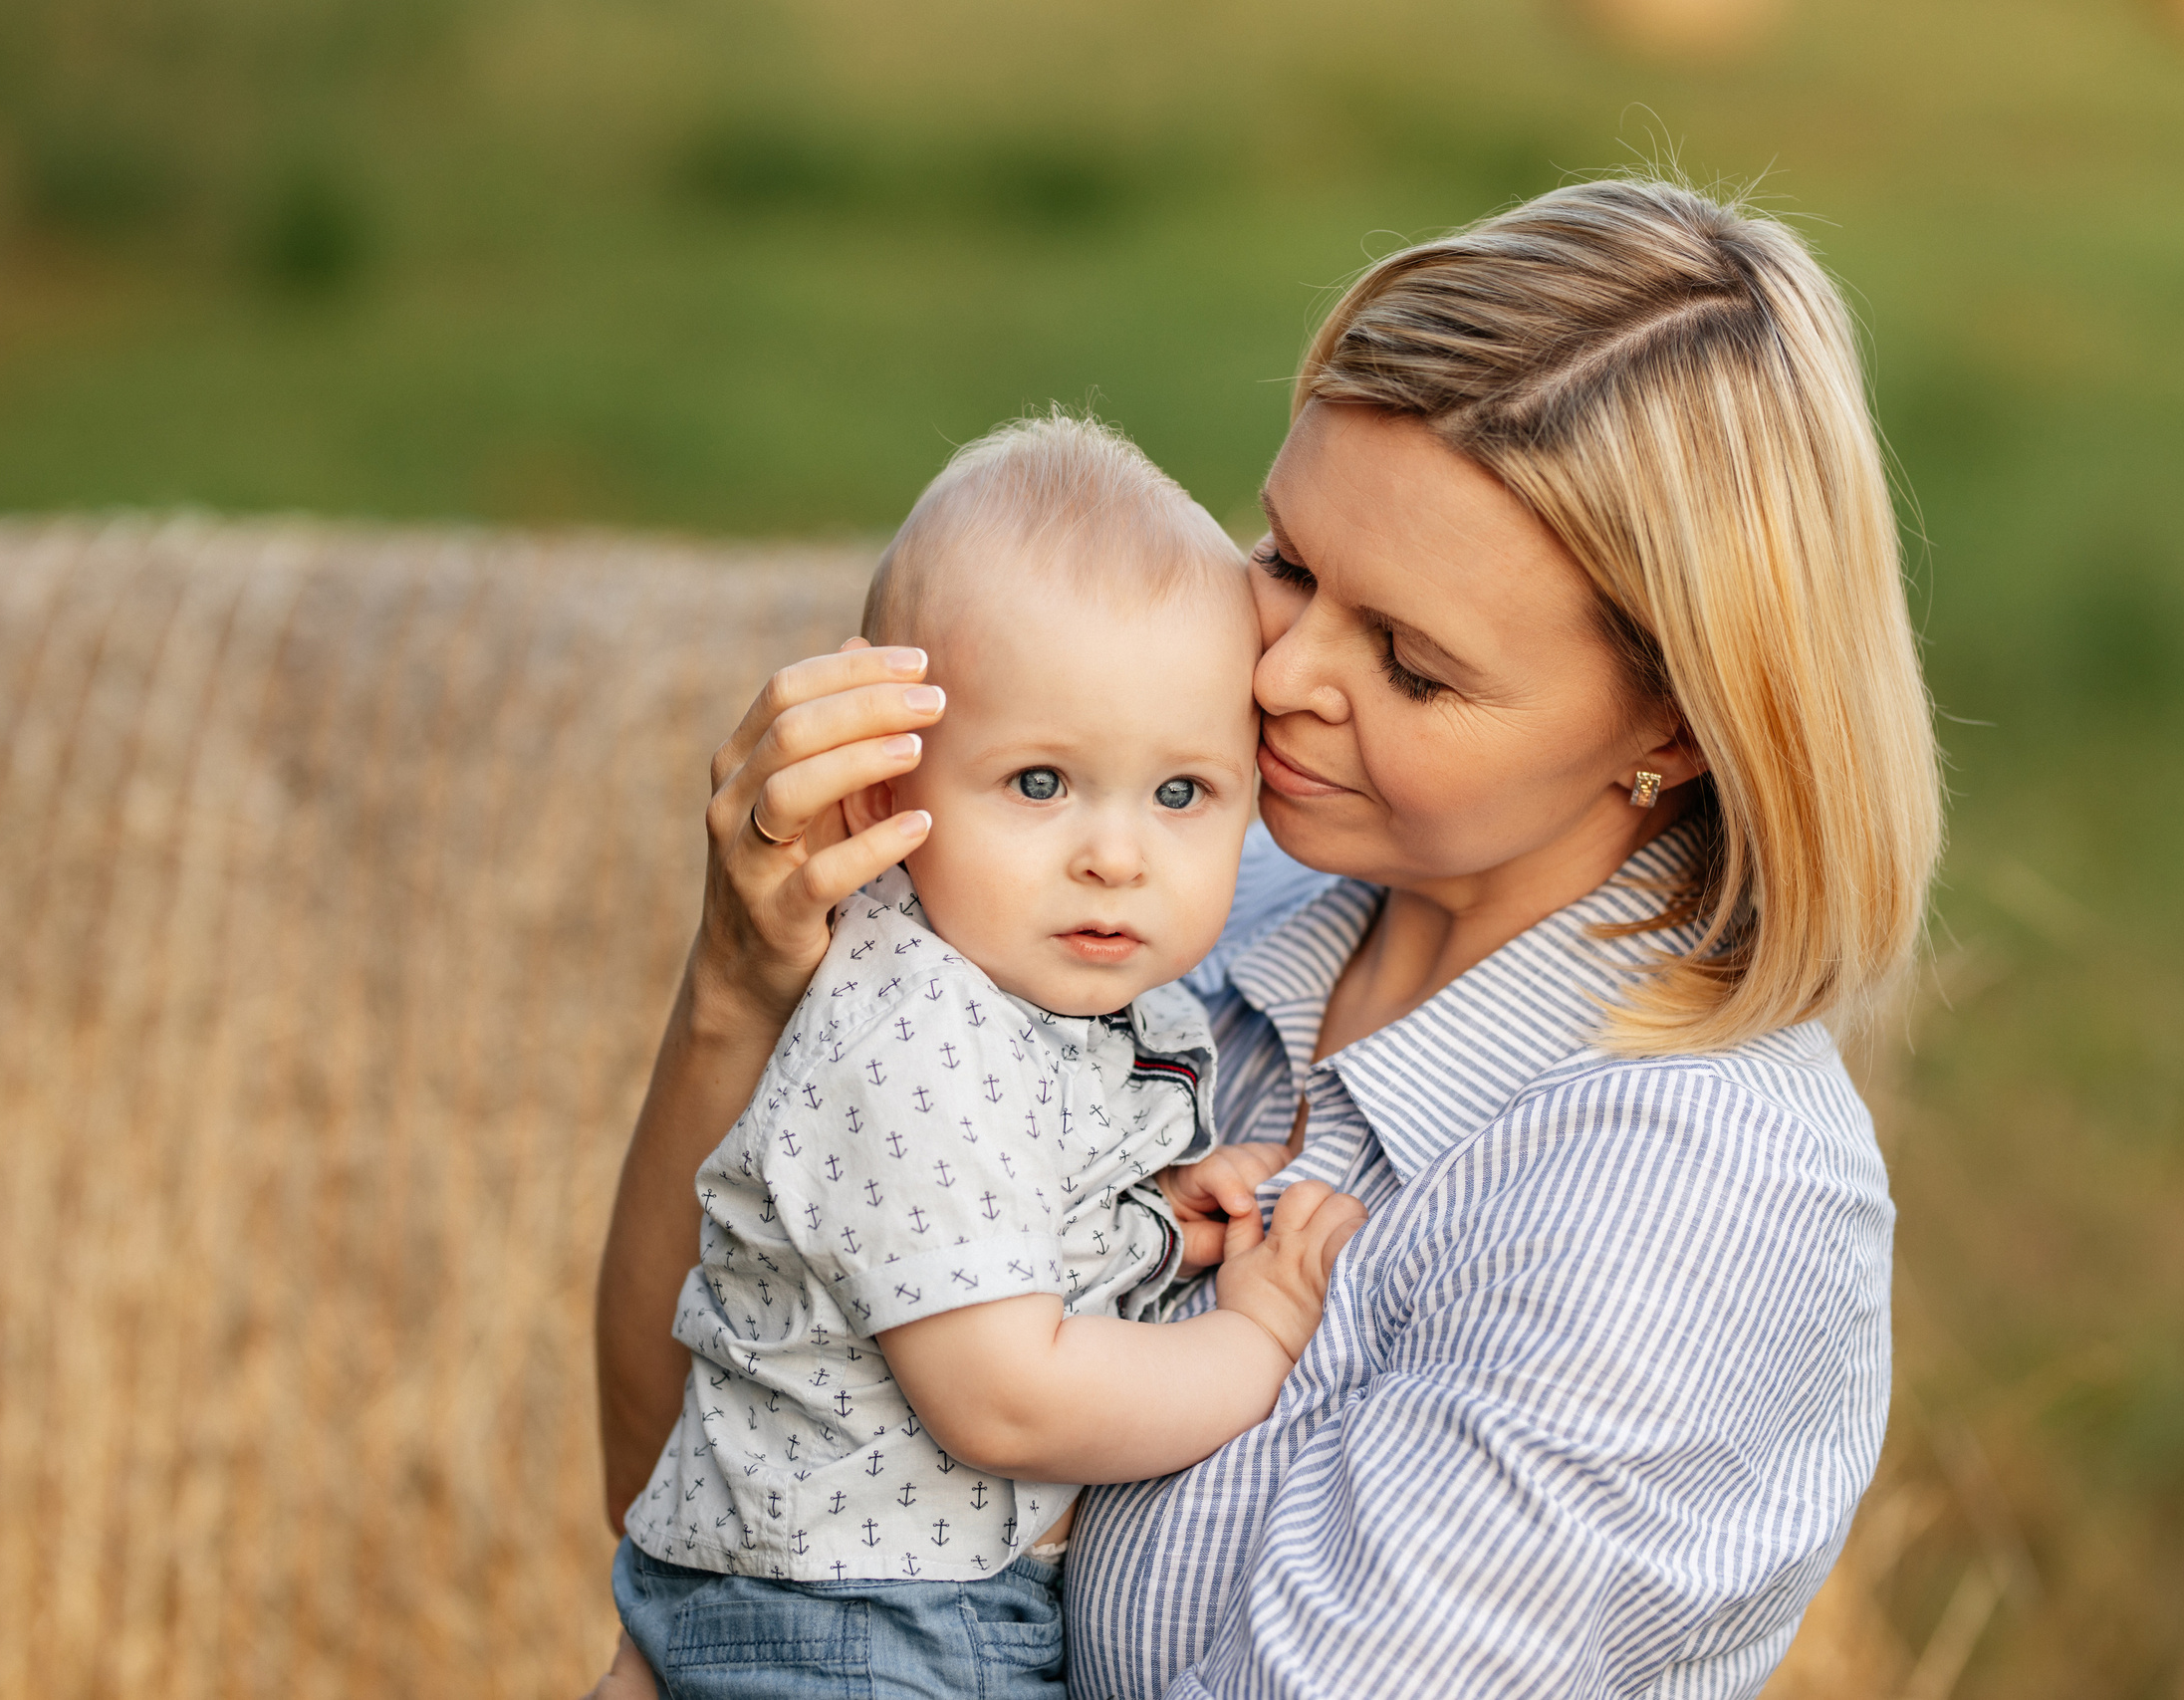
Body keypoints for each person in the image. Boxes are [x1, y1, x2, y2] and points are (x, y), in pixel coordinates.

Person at [596, 172, 1942, 1697]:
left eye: (1411, 664)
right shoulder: (1177, 905)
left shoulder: (1683, 1213)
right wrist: (741, 994)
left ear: (1678, 727)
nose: (1285, 674)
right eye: (1289, 561)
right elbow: (706, 1506)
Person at [599, 414, 1367, 1700]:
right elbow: (1007, 1399)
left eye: (1182, 794)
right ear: (883, 792)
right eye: (1039, 783)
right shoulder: (921, 1035)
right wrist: (1255, 1337)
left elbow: (979, 1220)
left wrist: (1152, 1217)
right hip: (869, 1627)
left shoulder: (1021, 999)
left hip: (843, 1601)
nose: (1115, 856)